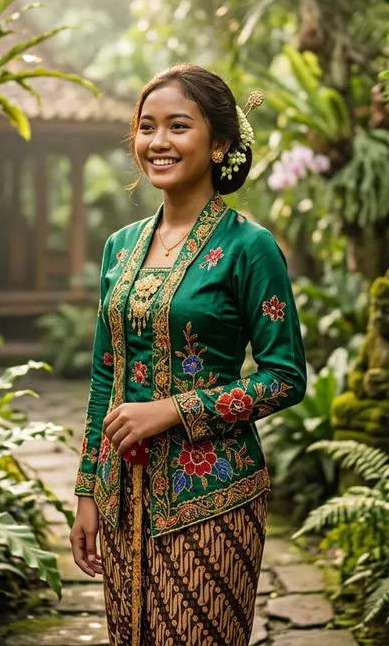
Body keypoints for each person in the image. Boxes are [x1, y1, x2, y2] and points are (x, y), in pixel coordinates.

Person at [70, 64, 307, 646]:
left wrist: (174, 409)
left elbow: (284, 377)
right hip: (123, 497)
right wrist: (86, 492)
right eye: (147, 127)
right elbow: (107, 376)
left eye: (178, 126)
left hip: (214, 498)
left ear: (220, 142)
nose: (158, 142)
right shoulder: (119, 249)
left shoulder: (250, 248)